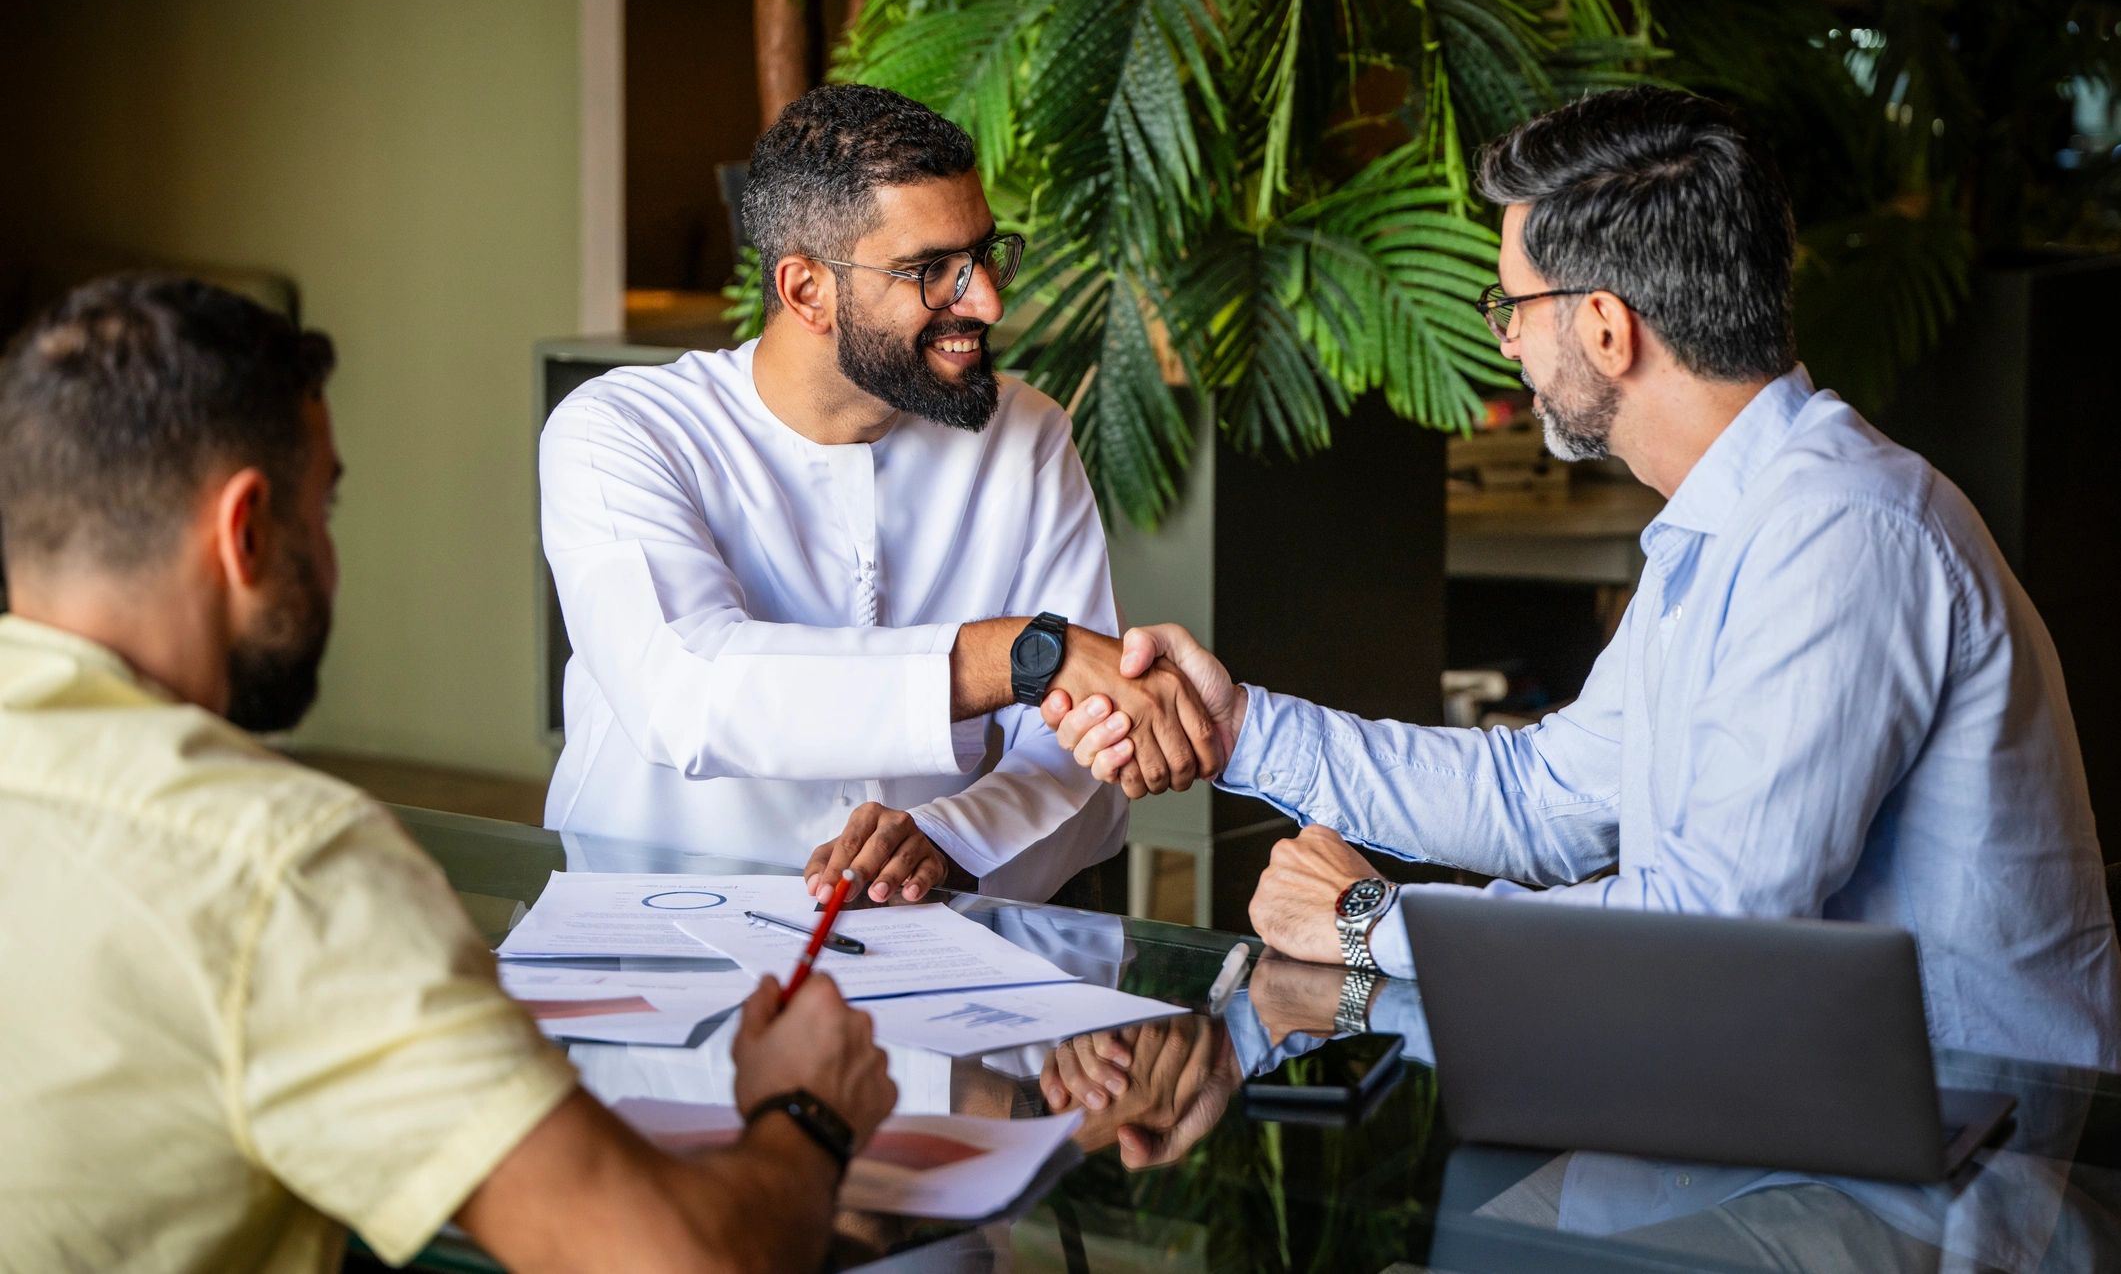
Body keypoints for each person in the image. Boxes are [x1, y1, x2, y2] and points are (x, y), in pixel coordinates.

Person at [1043, 86, 2121, 1071]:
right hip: (1809, 1117)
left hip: (1976, 1159)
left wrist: (1373, 923)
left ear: (1605, 326)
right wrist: (1237, 728)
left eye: (1511, 304)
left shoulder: (1843, 534)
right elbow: (1543, 796)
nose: (1505, 339)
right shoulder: (1742, 518)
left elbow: (1712, 931)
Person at [0, 274, 897, 1273]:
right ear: (246, 531)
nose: (331, 557)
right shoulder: (282, 868)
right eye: (322, 507)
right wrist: (805, 1109)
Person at [540, 83, 1216, 905]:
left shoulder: (1026, 431)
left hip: (930, 954)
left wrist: (951, 837)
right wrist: (1021, 654)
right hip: (661, 945)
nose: (987, 301)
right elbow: (687, 691)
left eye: (984, 255)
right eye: (931, 271)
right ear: (804, 291)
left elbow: (1077, 743)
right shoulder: (621, 431)